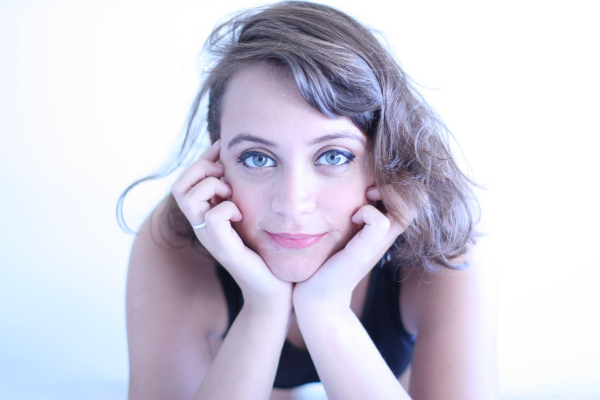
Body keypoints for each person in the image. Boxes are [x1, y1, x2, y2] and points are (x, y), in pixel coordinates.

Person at [117, 1, 497, 399]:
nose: (293, 203)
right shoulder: (175, 242)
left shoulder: (444, 246)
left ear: (384, 156)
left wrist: (326, 309)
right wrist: (262, 309)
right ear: (218, 159)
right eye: (257, 158)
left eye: (333, 156)